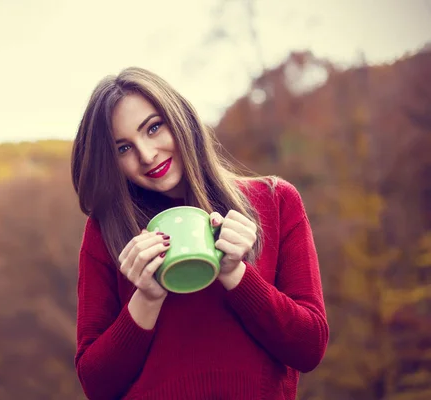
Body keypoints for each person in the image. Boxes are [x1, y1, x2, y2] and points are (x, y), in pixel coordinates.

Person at [70, 67, 328, 400]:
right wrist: (147, 297)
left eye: (153, 128)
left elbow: (309, 348)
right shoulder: (106, 233)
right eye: (123, 148)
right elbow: (97, 386)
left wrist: (236, 273)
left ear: (179, 118)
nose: (147, 156)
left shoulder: (276, 201)